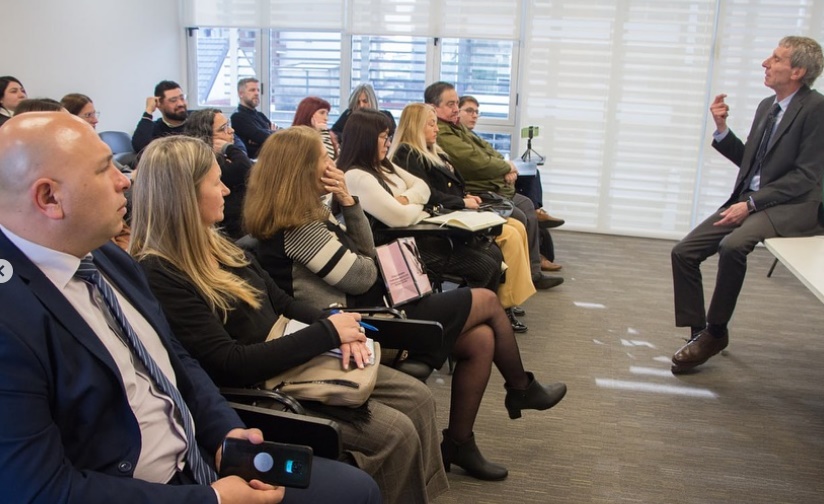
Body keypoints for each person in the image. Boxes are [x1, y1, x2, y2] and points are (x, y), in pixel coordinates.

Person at [0, 112, 381, 503]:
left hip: (199, 454)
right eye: (104, 170)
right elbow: (41, 491)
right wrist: (212, 500)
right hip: (152, 489)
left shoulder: (105, 259)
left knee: (357, 489)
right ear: (49, 198)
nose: (125, 180)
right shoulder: (12, 321)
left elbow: (175, 359)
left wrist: (223, 432)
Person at [130, 135, 444, 504]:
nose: (227, 190)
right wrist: (327, 331)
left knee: (419, 398)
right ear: (184, 195)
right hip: (264, 386)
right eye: (216, 182)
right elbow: (230, 363)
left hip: (293, 355)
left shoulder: (217, 243)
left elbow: (281, 302)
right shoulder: (160, 272)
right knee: (397, 433)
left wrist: (342, 329)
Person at [243, 125, 568, 482]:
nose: (333, 165)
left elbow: (364, 259)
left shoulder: (308, 217)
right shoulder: (299, 229)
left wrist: (350, 204)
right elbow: (364, 273)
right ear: (303, 169)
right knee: (487, 300)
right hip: (361, 323)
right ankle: (520, 388)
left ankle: (461, 442)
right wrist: (355, 219)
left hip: (372, 311)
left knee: (481, 341)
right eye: (325, 160)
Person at [670, 36, 824, 374]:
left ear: (797, 71)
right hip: (754, 200)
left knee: (733, 245)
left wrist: (751, 203)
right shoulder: (767, 106)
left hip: (792, 205)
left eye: (776, 58)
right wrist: (722, 129)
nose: (765, 63)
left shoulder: (816, 109)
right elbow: (751, 165)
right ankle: (700, 334)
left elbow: (805, 177)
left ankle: (716, 331)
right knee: (684, 252)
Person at [390, 102, 536, 332]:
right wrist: (461, 201)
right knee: (507, 235)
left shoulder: (433, 150)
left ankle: (504, 302)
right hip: (438, 223)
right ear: (415, 127)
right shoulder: (407, 155)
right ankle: (501, 305)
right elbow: (428, 194)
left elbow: (447, 185)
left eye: (436, 123)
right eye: (431, 124)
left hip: (454, 211)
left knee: (515, 226)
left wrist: (463, 195)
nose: (436, 129)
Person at [339, 109, 504, 294]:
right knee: (484, 265)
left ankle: (480, 311)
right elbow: (400, 218)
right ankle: (472, 313)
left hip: (413, 238)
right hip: (393, 250)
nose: (389, 143)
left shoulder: (383, 165)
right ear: (366, 139)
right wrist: (417, 204)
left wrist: (406, 200)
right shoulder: (356, 177)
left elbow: (423, 187)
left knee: (493, 253)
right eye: (383, 137)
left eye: (389, 137)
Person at [426, 82, 564, 288]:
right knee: (518, 215)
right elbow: (474, 162)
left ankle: (532, 272)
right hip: (477, 191)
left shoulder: (457, 128)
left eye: (456, 103)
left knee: (526, 205)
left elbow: (488, 151)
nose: (456, 109)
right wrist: (504, 169)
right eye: (451, 104)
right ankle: (515, 283)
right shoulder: (443, 134)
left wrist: (506, 166)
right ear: (433, 107)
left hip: (492, 186)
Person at [184, 108, 253, 239]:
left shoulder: (224, 158)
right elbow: (244, 168)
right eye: (223, 128)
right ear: (207, 137)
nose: (231, 130)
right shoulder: (207, 165)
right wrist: (228, 146)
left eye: (229, 125)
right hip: (231, 233)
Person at [131, 80, 189, 153]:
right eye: (173, 100)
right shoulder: (156, 128)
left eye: (182, 98)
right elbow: (139, 147)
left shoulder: (199, 120)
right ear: (159, 104)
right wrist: (149, 111)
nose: (180, 104)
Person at [331, 83, 397, 143]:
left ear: (372, 101)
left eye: (365, 101)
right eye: (358, 102)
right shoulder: (349, 115)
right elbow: (333, 133)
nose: (361, 105)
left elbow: (395, 139)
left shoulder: (385, 117)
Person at [231, 77, 277, 159]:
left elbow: (276, 134)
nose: (256, 93)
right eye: (252, 90)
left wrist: (269, 133)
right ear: (241, 94)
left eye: (258, 90)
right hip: (254, 163)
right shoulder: (237, 117)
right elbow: (262, 137)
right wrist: (270, 131)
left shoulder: (260, 115)